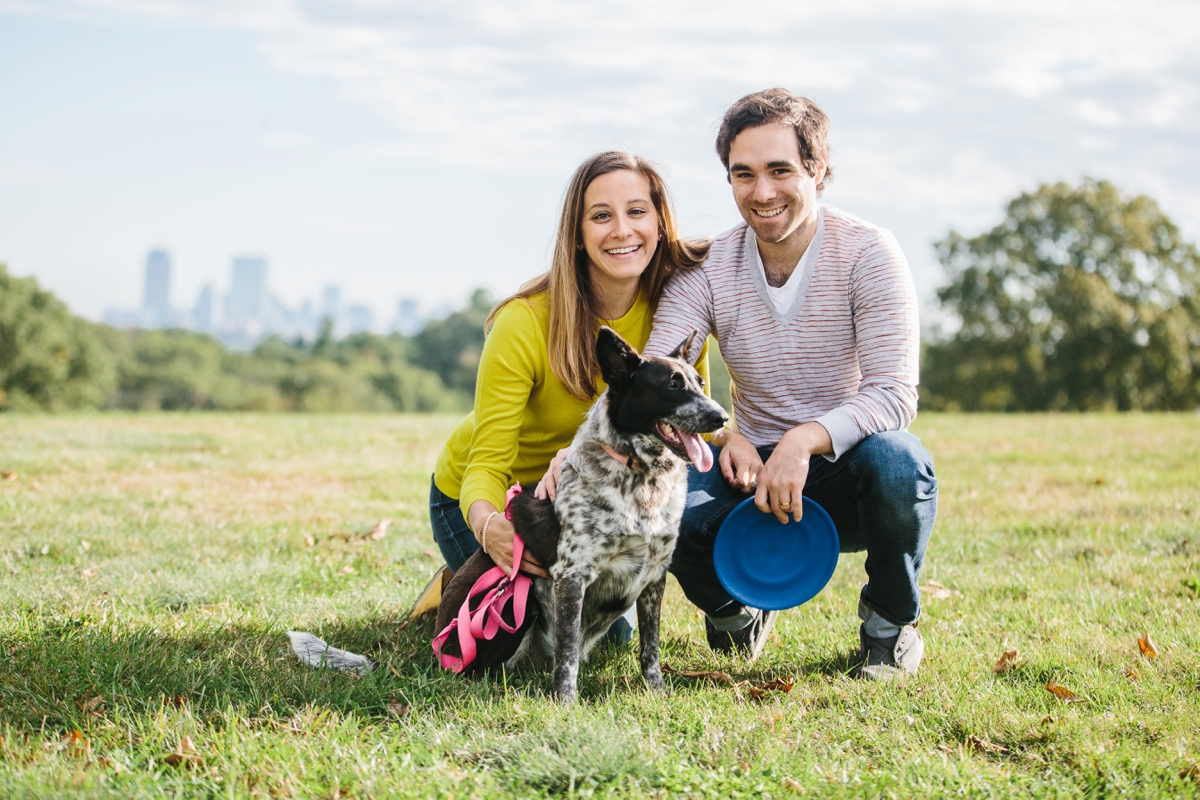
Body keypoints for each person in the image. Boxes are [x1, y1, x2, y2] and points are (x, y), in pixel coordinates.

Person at [645, 88, 937, 680]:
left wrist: (804, 441)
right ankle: (735, 613)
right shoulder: (707, 267)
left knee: (902, 463)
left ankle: (889, 628)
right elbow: (657, 374)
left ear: (817, 168)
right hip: (745, 468)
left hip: (844, 467)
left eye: (780, 170)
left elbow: (894, 394)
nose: (761, 192)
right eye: (743, 174)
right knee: (664, 502)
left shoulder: (869, 253)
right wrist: (727, 437)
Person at [428, 151, 712, 641]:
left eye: (637, 211)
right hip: (503, 502)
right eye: (601, 216)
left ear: (661, 224)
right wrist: (489, 527)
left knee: (609, 638)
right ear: (577, 236)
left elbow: (688, 427)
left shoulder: (680, 310)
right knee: (525, 631)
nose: (622, 229)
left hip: (597, 495)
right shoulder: (524, 322)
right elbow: (486, 465)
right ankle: (458, 583)